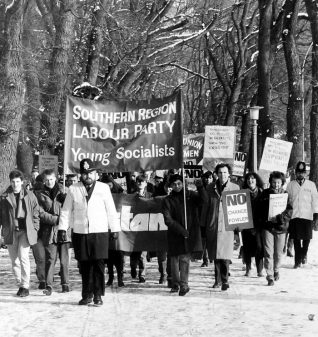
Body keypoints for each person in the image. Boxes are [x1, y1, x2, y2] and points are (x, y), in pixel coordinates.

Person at [58, 158, 120, 306]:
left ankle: (98, 294)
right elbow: (66, 210)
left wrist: (115, 228)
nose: (88, 176)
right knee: (84, 265)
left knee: (98, 264)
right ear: (81, 175)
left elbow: (111, 210)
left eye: (90, 173)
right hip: (81, 232)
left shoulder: (103, 188)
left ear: (96, 174)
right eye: (85, 173)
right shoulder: (73, 189)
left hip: (99, 231)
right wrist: (62, 228)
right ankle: (87, 294)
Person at [0, 170, 40, 297]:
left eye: (18, 181)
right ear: (10, 182)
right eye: (13, 181)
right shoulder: (4, 197)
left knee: (23, 257)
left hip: (25, 231)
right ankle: (20, 284)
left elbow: (36, 211)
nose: (15, 184)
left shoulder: (30, 195)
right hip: (11, 231)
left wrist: (35, 227)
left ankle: (25, 285)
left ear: (22, 182)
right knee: (14, 261)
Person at [162, 174, 203, 296]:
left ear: (183, 183)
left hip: (188, 232)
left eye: (179, 183)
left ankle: (184, 285)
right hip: (175, 233)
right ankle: (175, 283)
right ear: (171, 186)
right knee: (174, 260)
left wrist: (200, 188)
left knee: (185, 259)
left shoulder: (189, 196)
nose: (177, 186)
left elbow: (203, 201)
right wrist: (181, 230)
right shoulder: (167, 200)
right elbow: (168, 219)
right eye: (174, 184)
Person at [200, 163, 239, 291]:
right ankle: (217, 280)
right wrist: (203, 225)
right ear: (216, 174)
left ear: (229, 174)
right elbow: (205, 207)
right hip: (213, 224)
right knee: (215, 254)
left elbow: (239, 209)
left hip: (228, 226)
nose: (223, 175)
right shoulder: (210, 188)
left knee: (226, 255)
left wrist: (239, 227)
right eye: (220, 172)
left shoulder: (235, 187)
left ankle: (225, 280)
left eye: (225, 172)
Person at [33, 169, 68, 295]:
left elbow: (70, 209)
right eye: (47, 180)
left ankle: (65, 283)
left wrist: (65, 201)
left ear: (56, 179)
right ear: (44, 180)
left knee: (64, 259)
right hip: (49, 230)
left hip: (63, 230)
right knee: (50, 258)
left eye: (51, 179)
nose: (49, 182)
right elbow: (40, 213)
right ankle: (49, 285)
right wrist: (56, 219)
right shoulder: (40, 194)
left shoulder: (64, 191)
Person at [259, 171, 292, 286]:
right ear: (270, 182)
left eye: (278, 182)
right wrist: (266, 217)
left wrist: (279, 218)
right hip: (267, 227)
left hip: (281, 227)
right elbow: (259, 209)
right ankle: (269, 275)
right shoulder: (264, 194)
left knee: (278, 253)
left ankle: (276, 269)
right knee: (268, 252)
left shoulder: (285, 194)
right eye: (273, 182)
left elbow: (289, 212)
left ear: (282, 183)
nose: (276, 184)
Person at [286, 161, 318, 268]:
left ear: (306, 173)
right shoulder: (290, 185)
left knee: (306, 239)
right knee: (295, 239)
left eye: (303, 172)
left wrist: (316, 212)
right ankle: (297, 260)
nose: (300, 174)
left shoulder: (311, 185)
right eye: (298, 172)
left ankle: (304, 254)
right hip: (294, 216)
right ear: (295, 173)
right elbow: (286, 199)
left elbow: (315, 200)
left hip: (307, 215)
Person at [129, 174, 152, 283]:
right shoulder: (131, 196)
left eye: (142, 181)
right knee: (134, 253)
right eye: (138, 181)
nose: (140, 183)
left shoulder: (150, 195)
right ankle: (133, 267)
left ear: (146, 183)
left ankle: (142, 274)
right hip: (134, 227)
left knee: (143, 253)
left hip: (145, 227)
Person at [241, 172, 264, 277]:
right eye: (248, 179)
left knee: (259, 246)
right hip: (246, 224)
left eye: (253, 178)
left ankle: (260, 269)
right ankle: (248, 268)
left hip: (259, 225)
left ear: (256, 180)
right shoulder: (242, 193)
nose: (251, 180)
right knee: (247, 246)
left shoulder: (262, 192)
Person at [199, 171, 213, 268]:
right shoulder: (201, 189)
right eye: (206, 178)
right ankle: (205, 259)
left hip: (212, 218)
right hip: (202, 218)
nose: (207, 179)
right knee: (204, 240)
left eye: (210, 178)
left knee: (212, 239)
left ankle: (212, 256)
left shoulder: (215, 188)